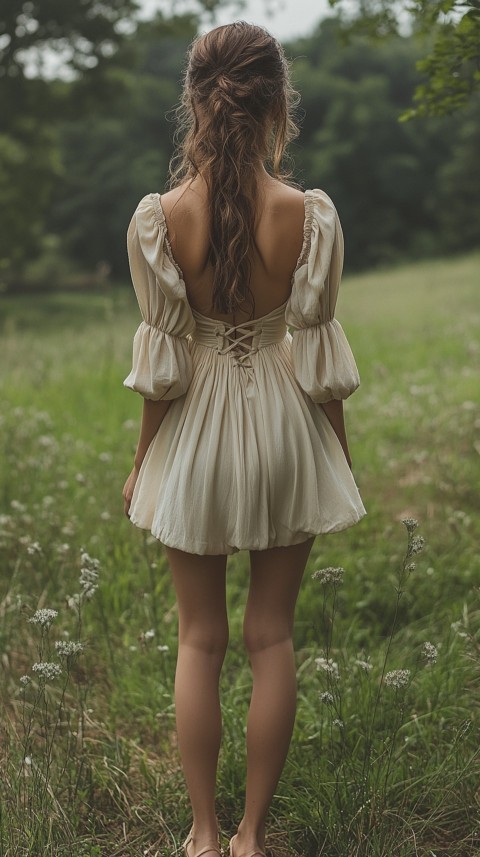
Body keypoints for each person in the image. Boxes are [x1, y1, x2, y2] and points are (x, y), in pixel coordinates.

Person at [122, 21, 365, 857]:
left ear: (193, 100)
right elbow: (321, 357)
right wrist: (335, 448)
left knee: (200, 638)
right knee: (272, 635)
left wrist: (141, 461)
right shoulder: (309, 215)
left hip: (196, 432)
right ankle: (254, 836)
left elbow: (162, 371)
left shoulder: (161, 219)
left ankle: (202, 831)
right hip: (283, 426)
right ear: (277, 106)